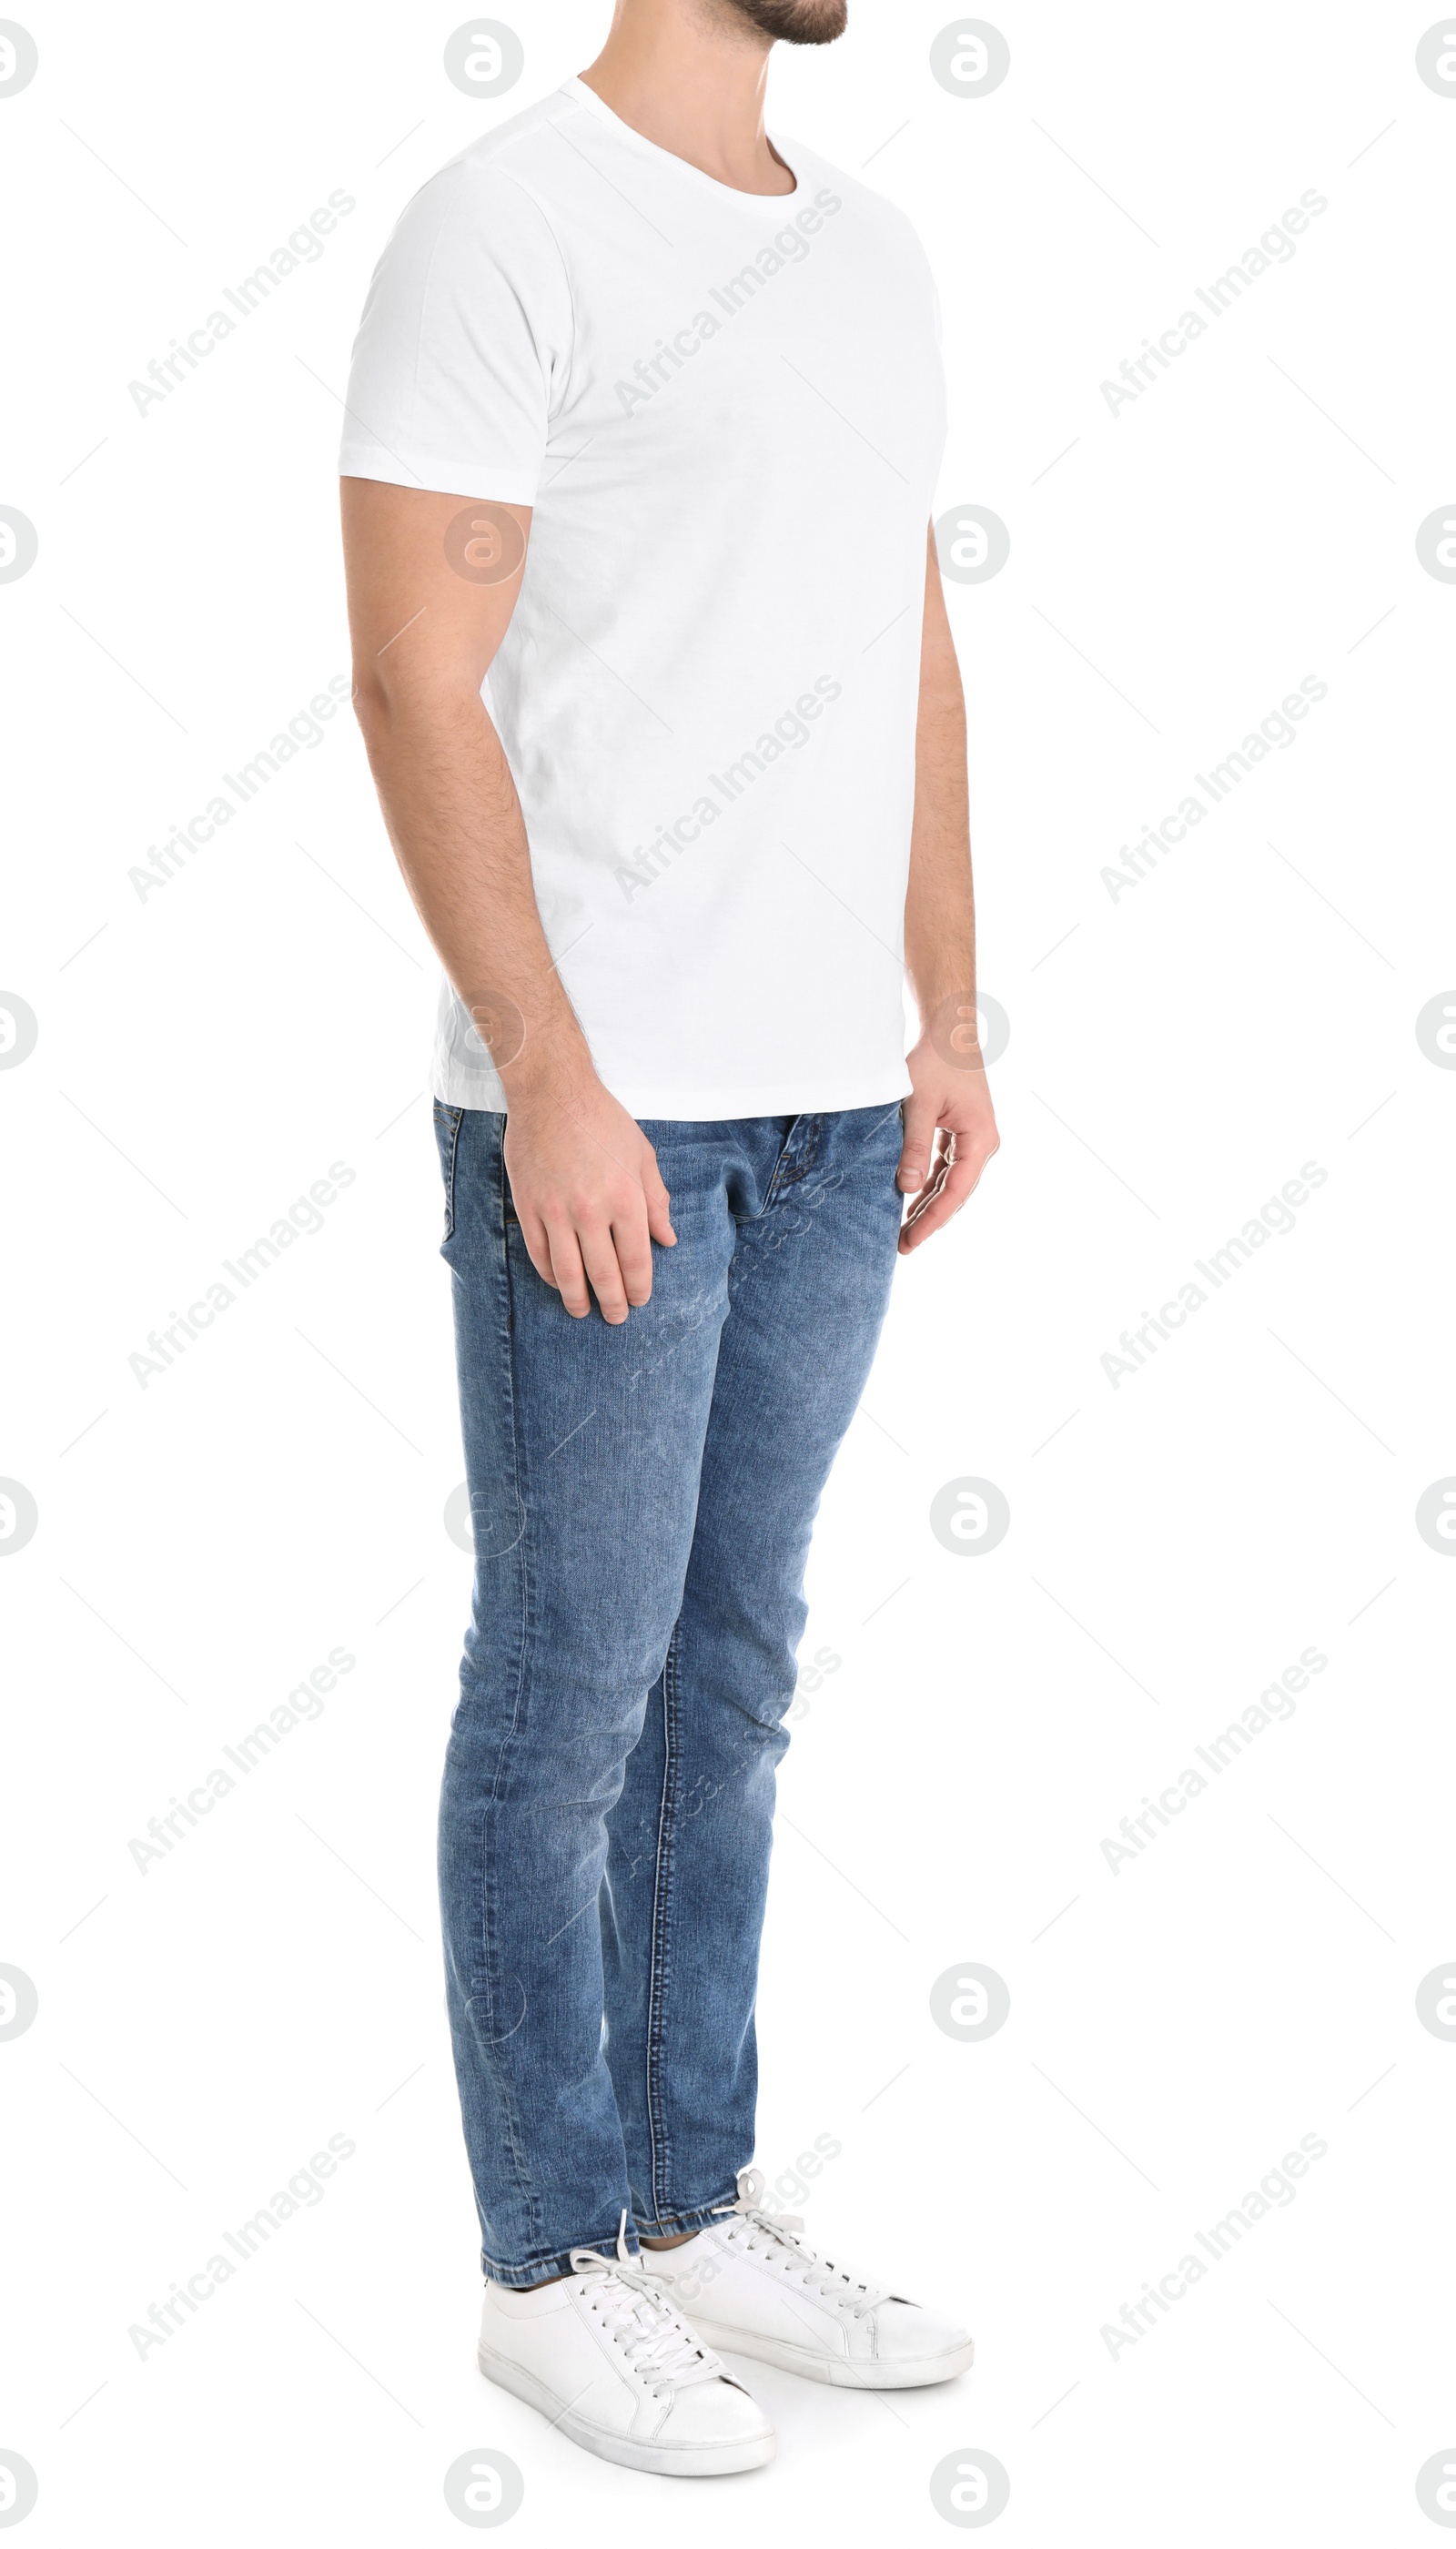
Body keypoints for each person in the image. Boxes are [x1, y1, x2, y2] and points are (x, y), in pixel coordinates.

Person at [339, 0, 998, 2479]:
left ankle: (686, 2194)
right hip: (608, 1117)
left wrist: (943, 1011)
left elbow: (907, 643)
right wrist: (546, 1067)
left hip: (835, 1115)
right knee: (569, 1687)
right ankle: (548, 2256)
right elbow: (419, 668)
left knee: (730, 1673)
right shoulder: (502, 229)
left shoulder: (882, 253)